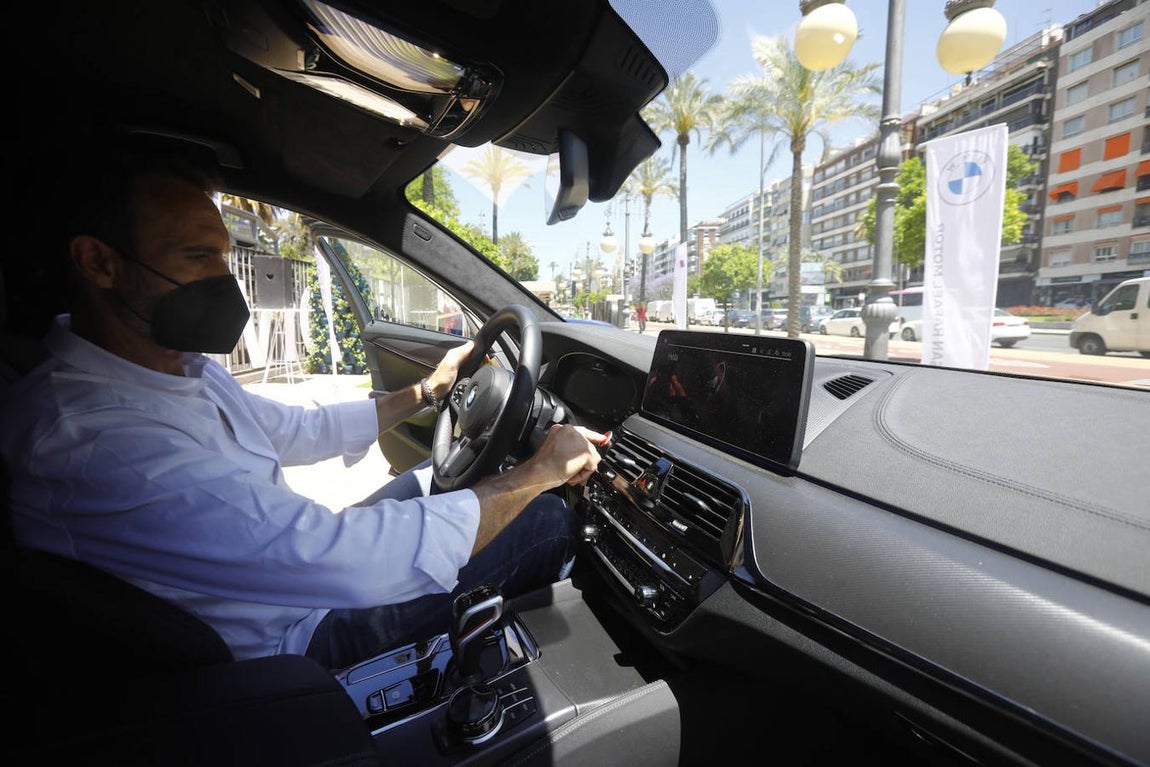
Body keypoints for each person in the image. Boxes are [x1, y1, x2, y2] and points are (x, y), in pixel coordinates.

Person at [0, 134, 605, 671]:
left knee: (436, 482)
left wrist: (425, 392)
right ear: (99, 263)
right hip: (296, 643)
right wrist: (538, 475)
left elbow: (293, 430)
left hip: (295, 578)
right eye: (196, 257)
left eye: (221, 251)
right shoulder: (92, 439)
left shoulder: (170, 370)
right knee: (547, 517)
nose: (224, 277)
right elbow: (351, 560)